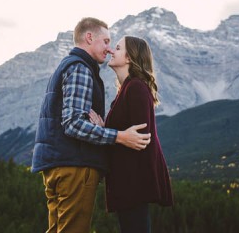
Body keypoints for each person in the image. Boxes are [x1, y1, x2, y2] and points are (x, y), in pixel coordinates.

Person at [31, 17, 152, 233]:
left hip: (56, 164)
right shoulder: (80, 68)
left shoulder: (66, 66)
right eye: (106, 41)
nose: (108, 49)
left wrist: (103, 127)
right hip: (75, 166)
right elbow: (73, 123)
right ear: (89, 37)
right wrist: (119, 136)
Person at [90, 36, 173, 233]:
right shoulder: (128, 88)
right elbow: (126, 133)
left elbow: (140, 136)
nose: (111, 51)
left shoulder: (135, 87)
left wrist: (106, 132)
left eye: (117, 48)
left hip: (134, 182)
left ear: (129, 57)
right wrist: (105, 129)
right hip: (128, 181)